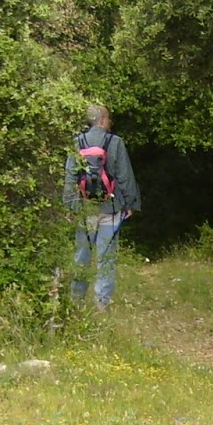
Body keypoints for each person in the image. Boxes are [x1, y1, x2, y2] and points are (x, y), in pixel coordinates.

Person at [64, 104, 141, 310]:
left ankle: (76, 299)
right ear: (102, 119)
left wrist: (71, 207)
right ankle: (101, 303)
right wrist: (131, 203)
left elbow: (71, 176)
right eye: (108, 118)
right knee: (106, 256)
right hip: (111, 207)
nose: (110, 122)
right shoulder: (115, 142)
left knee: (82, 255)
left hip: (85, 209)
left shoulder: (77, 142)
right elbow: (124, 175)